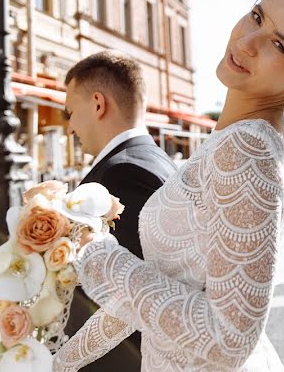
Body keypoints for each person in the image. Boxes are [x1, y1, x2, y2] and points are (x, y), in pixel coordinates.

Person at [54, 0, 284, 371]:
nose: (248, 41)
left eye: (279, 45)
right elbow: (153, 295)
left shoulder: (247, 151)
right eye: (257, 16)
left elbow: (229, 339)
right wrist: (58, 362)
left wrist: (101, 257)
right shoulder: (242, 139)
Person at [61, 50, 174, 372]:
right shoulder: (155, 159)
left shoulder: (120, 174)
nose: (70, 127)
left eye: (70, 112)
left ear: (98, 103)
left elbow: (133, 296)